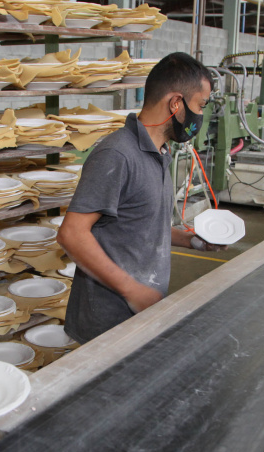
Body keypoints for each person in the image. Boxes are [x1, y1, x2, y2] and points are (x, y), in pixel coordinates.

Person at [57, 52, 224, 345]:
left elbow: (139, 223)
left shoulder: (160, 152)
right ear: (175, 103)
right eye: (199, 105)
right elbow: (72, 234)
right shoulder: (118, 154)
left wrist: (190, 239)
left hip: (140, 313)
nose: (200, 116)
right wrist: (132, 291)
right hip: (107, 323)